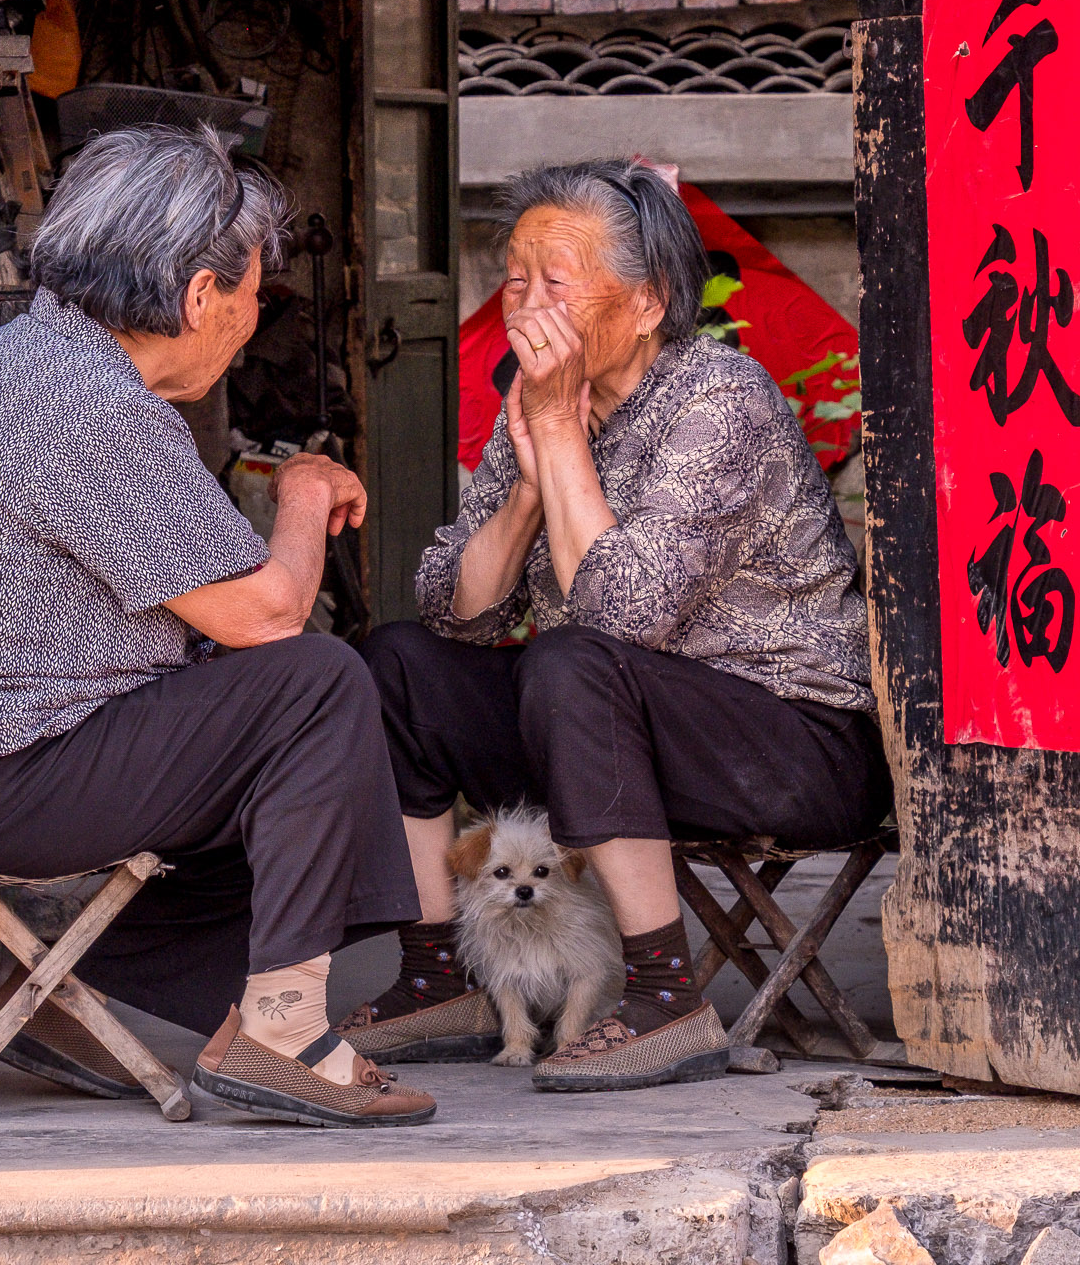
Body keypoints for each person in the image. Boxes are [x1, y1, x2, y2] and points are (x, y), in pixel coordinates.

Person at [0, 125, 435, 1128]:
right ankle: (284, 1030)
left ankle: (63, 997)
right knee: (318, 686)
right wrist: (302, 493)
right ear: (202, 296)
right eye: (252, 295)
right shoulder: (86, 406)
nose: (249, 319)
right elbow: (266, 615)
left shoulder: (24, 365)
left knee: (285, 755)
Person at [337, 159, 892, 1092]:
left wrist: (560, 433)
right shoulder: (541, 398)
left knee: (571, 664)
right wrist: (526, 490)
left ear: (647, 302)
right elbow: (455, 612)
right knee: (398, 662)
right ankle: (440, 978)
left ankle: (666, 998)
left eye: (557, 281)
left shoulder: (719, 398)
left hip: (791, 743)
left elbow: (622, 614)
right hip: (606, 733)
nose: (527, 304)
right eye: (516, 279)